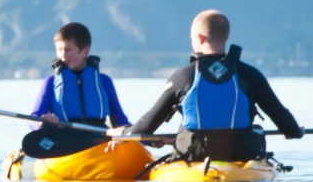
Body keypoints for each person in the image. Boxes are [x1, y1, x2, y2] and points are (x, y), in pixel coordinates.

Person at [127, 9, 303, 162]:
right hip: (241, 157)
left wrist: (126, 131)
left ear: (201, 38)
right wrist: (297, 131)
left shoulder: (182, 77)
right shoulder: (251, 75)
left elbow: (144, 128)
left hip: (193, 157)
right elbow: (288, 126)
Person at [31, 22, 131, 134]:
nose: (63, 55)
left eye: (68, 50)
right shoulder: (50, 82)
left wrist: (146, 140)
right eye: (59, 50)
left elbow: (120, 120)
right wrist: (42, 122)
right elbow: (34, 119)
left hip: (98, 137)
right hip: (64, 138)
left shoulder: (104, 81)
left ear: (85, 51)